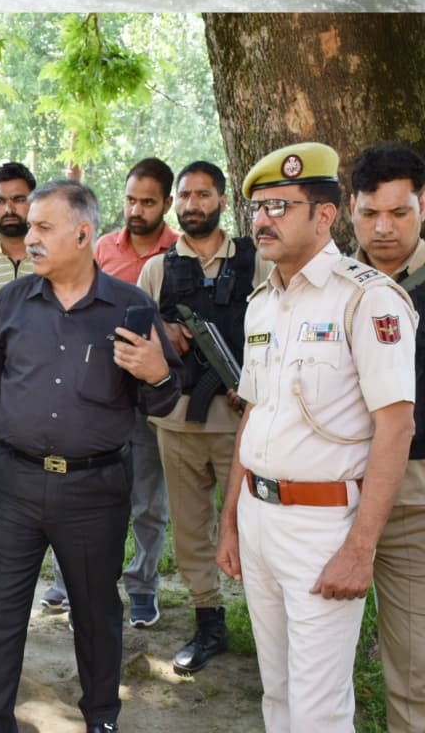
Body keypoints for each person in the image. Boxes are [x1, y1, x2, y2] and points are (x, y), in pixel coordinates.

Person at [0, 178, 180, 733]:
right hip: (13, 484)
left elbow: (162, 401)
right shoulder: (11, 303)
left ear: (82, 234)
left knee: (96, 613)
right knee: (0, 614)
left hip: (95, 493)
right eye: (29, 226)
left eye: (42, 227)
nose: (30, 237)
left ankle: (101, 718)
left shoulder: (130, 306)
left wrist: (159, 374)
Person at [216, 142, 417, 733]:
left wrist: (360, 548)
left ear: (325, 215)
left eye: (280, 206)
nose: (263, 220)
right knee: (276, 695)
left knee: (318, 709)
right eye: (258, 208)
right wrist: (231, 518)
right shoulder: (263, 303)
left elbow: (396, 426)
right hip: (258, 517)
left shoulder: (367, 298)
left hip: (321, 526)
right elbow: (254, 414)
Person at [138, 159, 255, 672]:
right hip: (179, 421)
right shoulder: (158, 269)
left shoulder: (256, 262)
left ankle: (270, 618)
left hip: (243, 425)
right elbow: (135, 338)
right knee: (190, 529)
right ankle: (209, 621)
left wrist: (250, 384)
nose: (192, 204)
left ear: (223, 201)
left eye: (203, 195)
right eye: (184, 196)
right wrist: (165, 335)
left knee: (255, 527)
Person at [350, 142, 425, 733]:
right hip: (329, 491)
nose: (383, 228)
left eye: (399, 212)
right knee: (309, 661)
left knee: (416, 668)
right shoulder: (327, 282)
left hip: (414, 499)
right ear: (349, 208)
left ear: (423, 206)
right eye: (370, 212)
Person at [86, 156, 180, 628]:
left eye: (147, 202)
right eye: (130, 200)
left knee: (148, 500)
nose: (136, 210)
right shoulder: (103, 248)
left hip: (151, 395)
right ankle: (80, 583)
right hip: (102, 393)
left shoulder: (179, 254)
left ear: (167, 203)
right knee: (89, 496)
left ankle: (142, 585)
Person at [0, 163, 35, 294]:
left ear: (35, 203)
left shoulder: (55, 261)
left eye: (18, 199)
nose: (9, 210)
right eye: (0, 201)